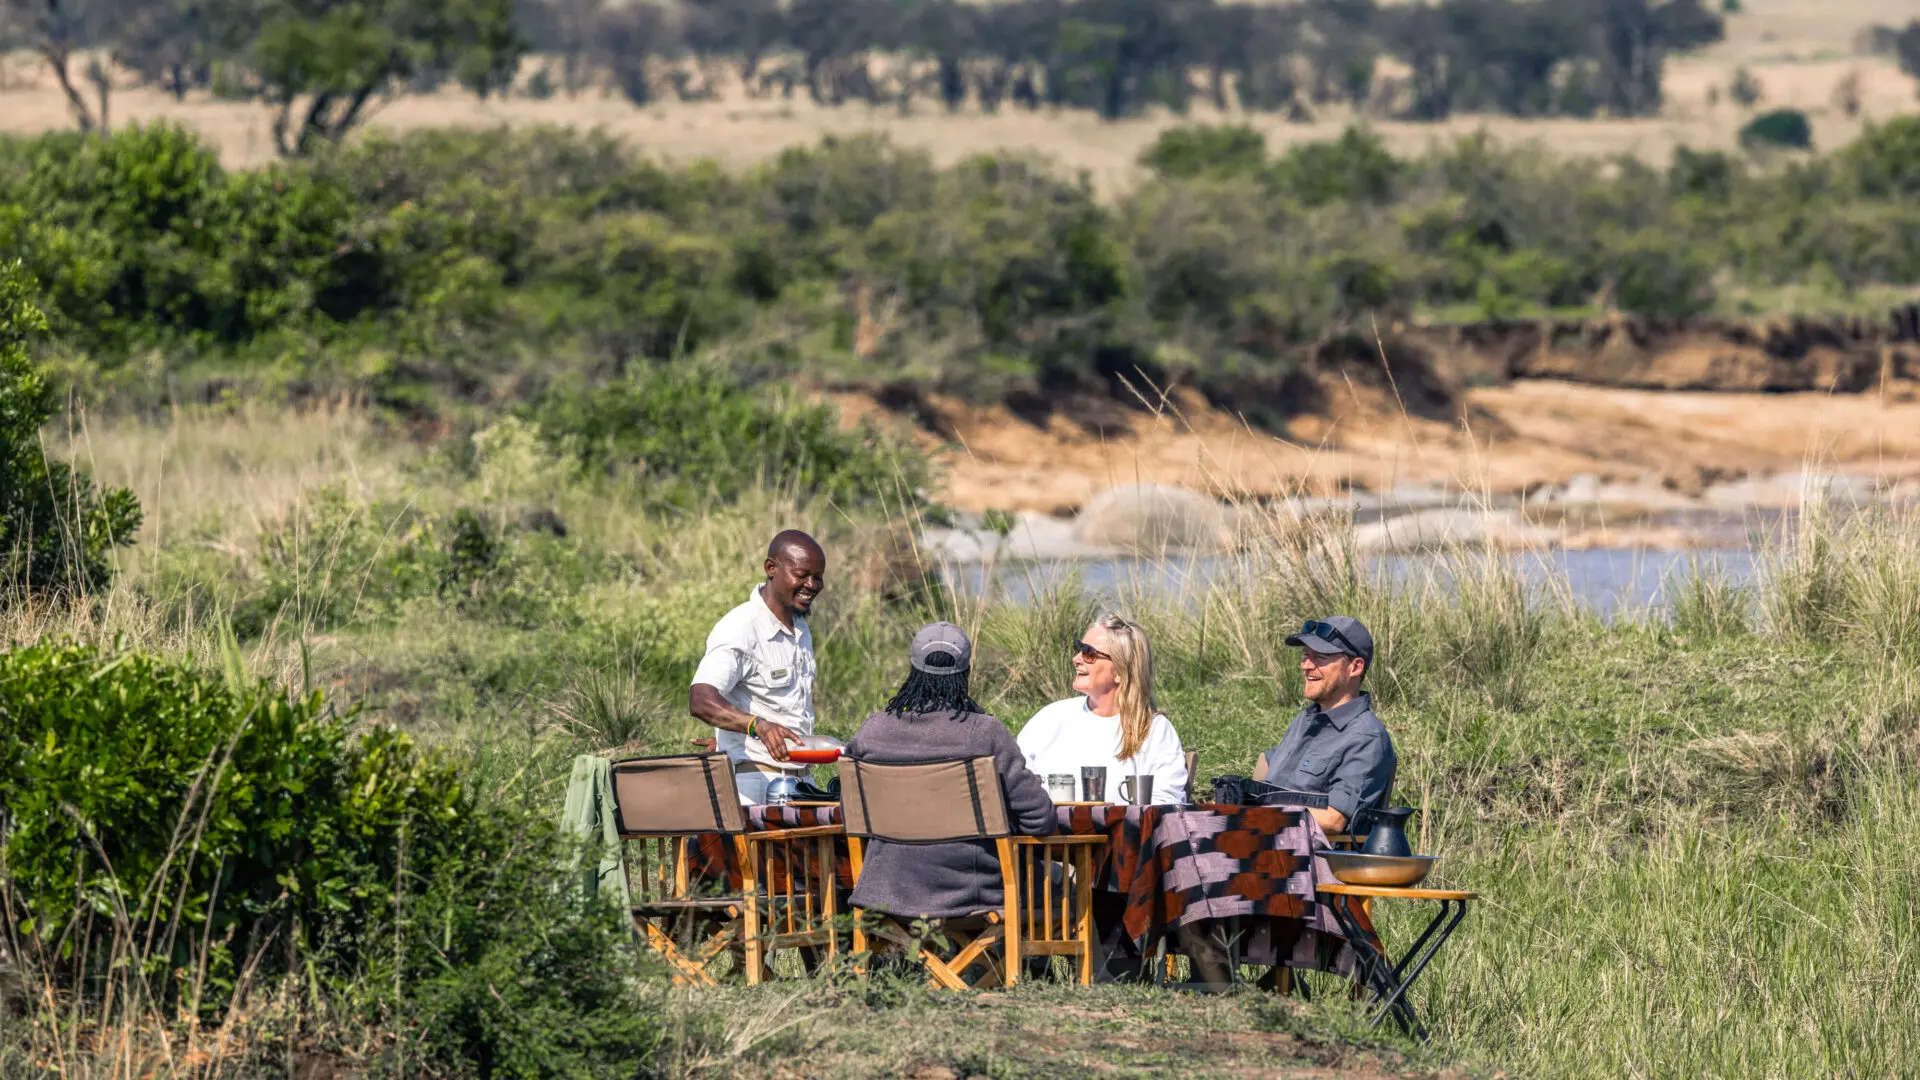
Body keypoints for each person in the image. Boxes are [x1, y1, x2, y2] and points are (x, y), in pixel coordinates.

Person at [844, 622, 1056, 923]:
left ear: (912, 670)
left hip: (886, 893)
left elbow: (851, 815)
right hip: (972, 895)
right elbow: (1041, 819)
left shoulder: (872, 732)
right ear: (966, 673)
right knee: (1057, 883)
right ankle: (1051, 969)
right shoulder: (985, 733)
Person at [688, 530, 825, 804]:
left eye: (818, 577)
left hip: (799, 782)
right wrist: (757, 727)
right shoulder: (741, 627)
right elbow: (700, 699)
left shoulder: (799, 628)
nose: (811, 585)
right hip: (756, 788)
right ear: (771, 568)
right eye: (801, 575)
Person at [1016, 612, 1189, 806]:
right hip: (1048, 834)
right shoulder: (1050, 718)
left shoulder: (1153, 730)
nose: (1076, 658)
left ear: (1120, 671)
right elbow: (1012, 783)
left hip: (1124, 834)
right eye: (1079, 648)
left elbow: (1167, 803)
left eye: (1089, 653)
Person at [1258, 616, 1397, 835]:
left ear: (1355, 667)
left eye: (1320, 657)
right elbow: (1265, 776)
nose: (1306, 666)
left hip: (1309, 861)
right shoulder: (1304, 721)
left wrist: (1257, 817)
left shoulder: (1366, 737)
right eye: (1305, 656)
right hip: (1262, 842)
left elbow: (1334, 819)